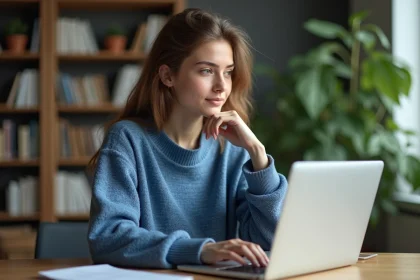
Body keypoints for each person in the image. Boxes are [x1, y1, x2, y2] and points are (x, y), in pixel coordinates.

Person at [87, 8, 288, 269]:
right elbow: (108, 237)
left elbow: (269, 243)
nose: (221, 86)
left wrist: (258, 156)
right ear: (168, 75)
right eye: (206, 71)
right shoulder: (128, 140)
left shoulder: (232, 148)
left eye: (227, 72)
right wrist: (200, 250)